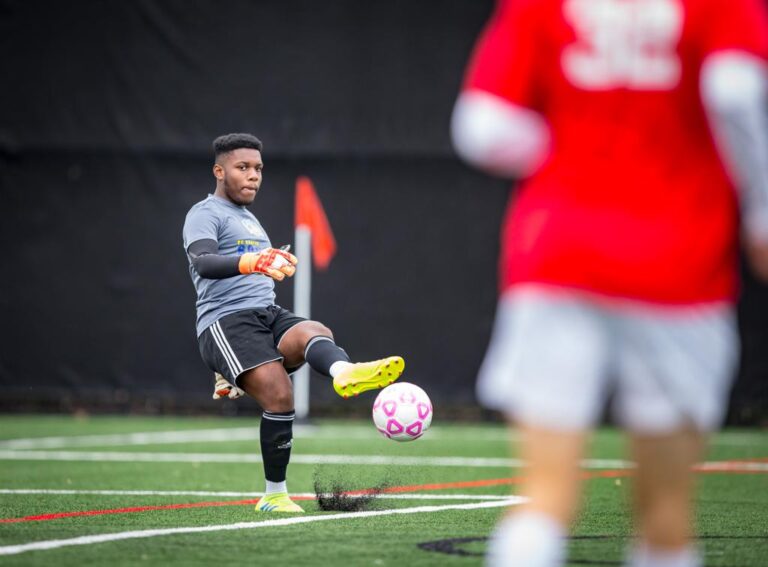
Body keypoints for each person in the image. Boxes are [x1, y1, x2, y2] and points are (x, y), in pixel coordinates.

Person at [451, 0, 768, 565]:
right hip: (680, 264)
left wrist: (572, 157)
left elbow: (482, 128)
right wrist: (762, 212)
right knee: (667, 519)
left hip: (558, 256)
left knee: (543, 500)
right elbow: (736, 93)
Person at [182, 133, 404, 513]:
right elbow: (202, 261)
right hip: (226, 323)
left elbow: (254, 266)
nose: (253, 176)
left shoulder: (249, 219)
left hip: (265, 313)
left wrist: (273, 261)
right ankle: (274, 495)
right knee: (281, 396)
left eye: (258, 169)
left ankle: (344, 371)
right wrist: (253, 262)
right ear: (219, 171)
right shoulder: (205, 213)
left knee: (314, 331)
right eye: (243, 168)